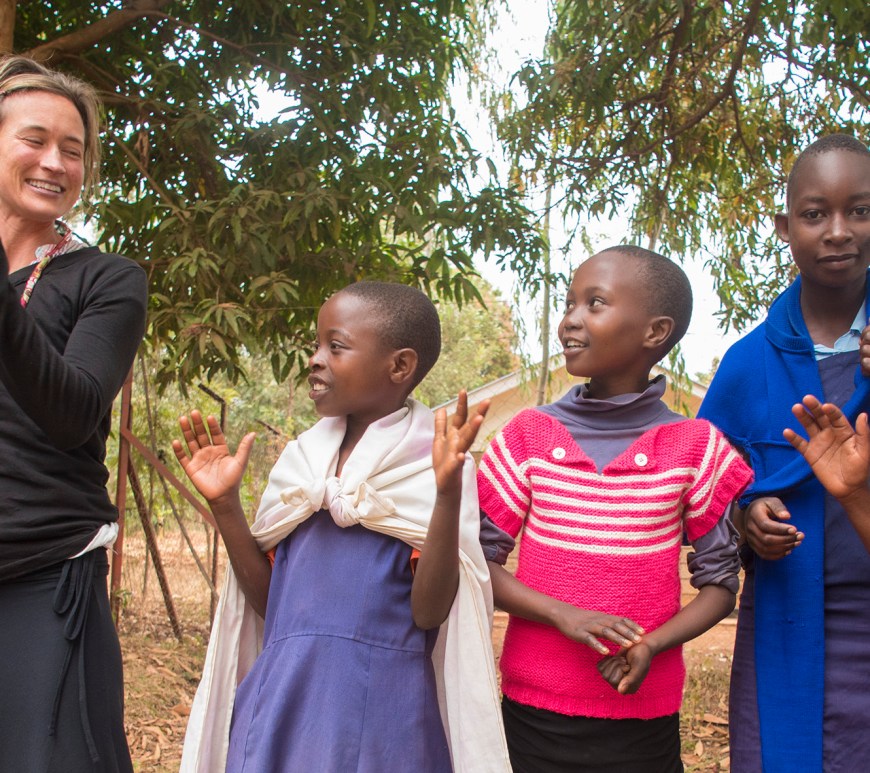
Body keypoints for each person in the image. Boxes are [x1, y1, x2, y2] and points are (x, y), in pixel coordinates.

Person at [174, 281, 510, 773]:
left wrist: (445, 495)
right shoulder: (302, 465)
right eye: (317, 345)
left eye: (336, 346)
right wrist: (225, 505)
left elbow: (429, 612)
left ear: (399, 365)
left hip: (385, 719)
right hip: (281, 702)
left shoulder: (427, 467)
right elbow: (272, 605)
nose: (314, 359)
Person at [477, 246, 753, 773]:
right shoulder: (528, 437)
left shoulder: (695, 447)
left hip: (641, 719)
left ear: (655, 332)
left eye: (595, 303)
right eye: (569, 304)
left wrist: (652, 645)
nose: (569, 320)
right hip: (533, 714)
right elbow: (477, 564)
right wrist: (563, 614)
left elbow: (721, 587)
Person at [699, 133, 870, 773]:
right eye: (815, 213)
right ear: (785, 227)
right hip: (785, 620)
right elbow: (705, 485)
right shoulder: (748, 364)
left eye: (860, 210)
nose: (838, 231)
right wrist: (745, 513)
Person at [0, 57, 147, 772]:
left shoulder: (107, 279)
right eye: (34, 140)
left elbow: (74, 411)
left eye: (73, 149)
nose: (55, 162)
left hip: (43, 580)